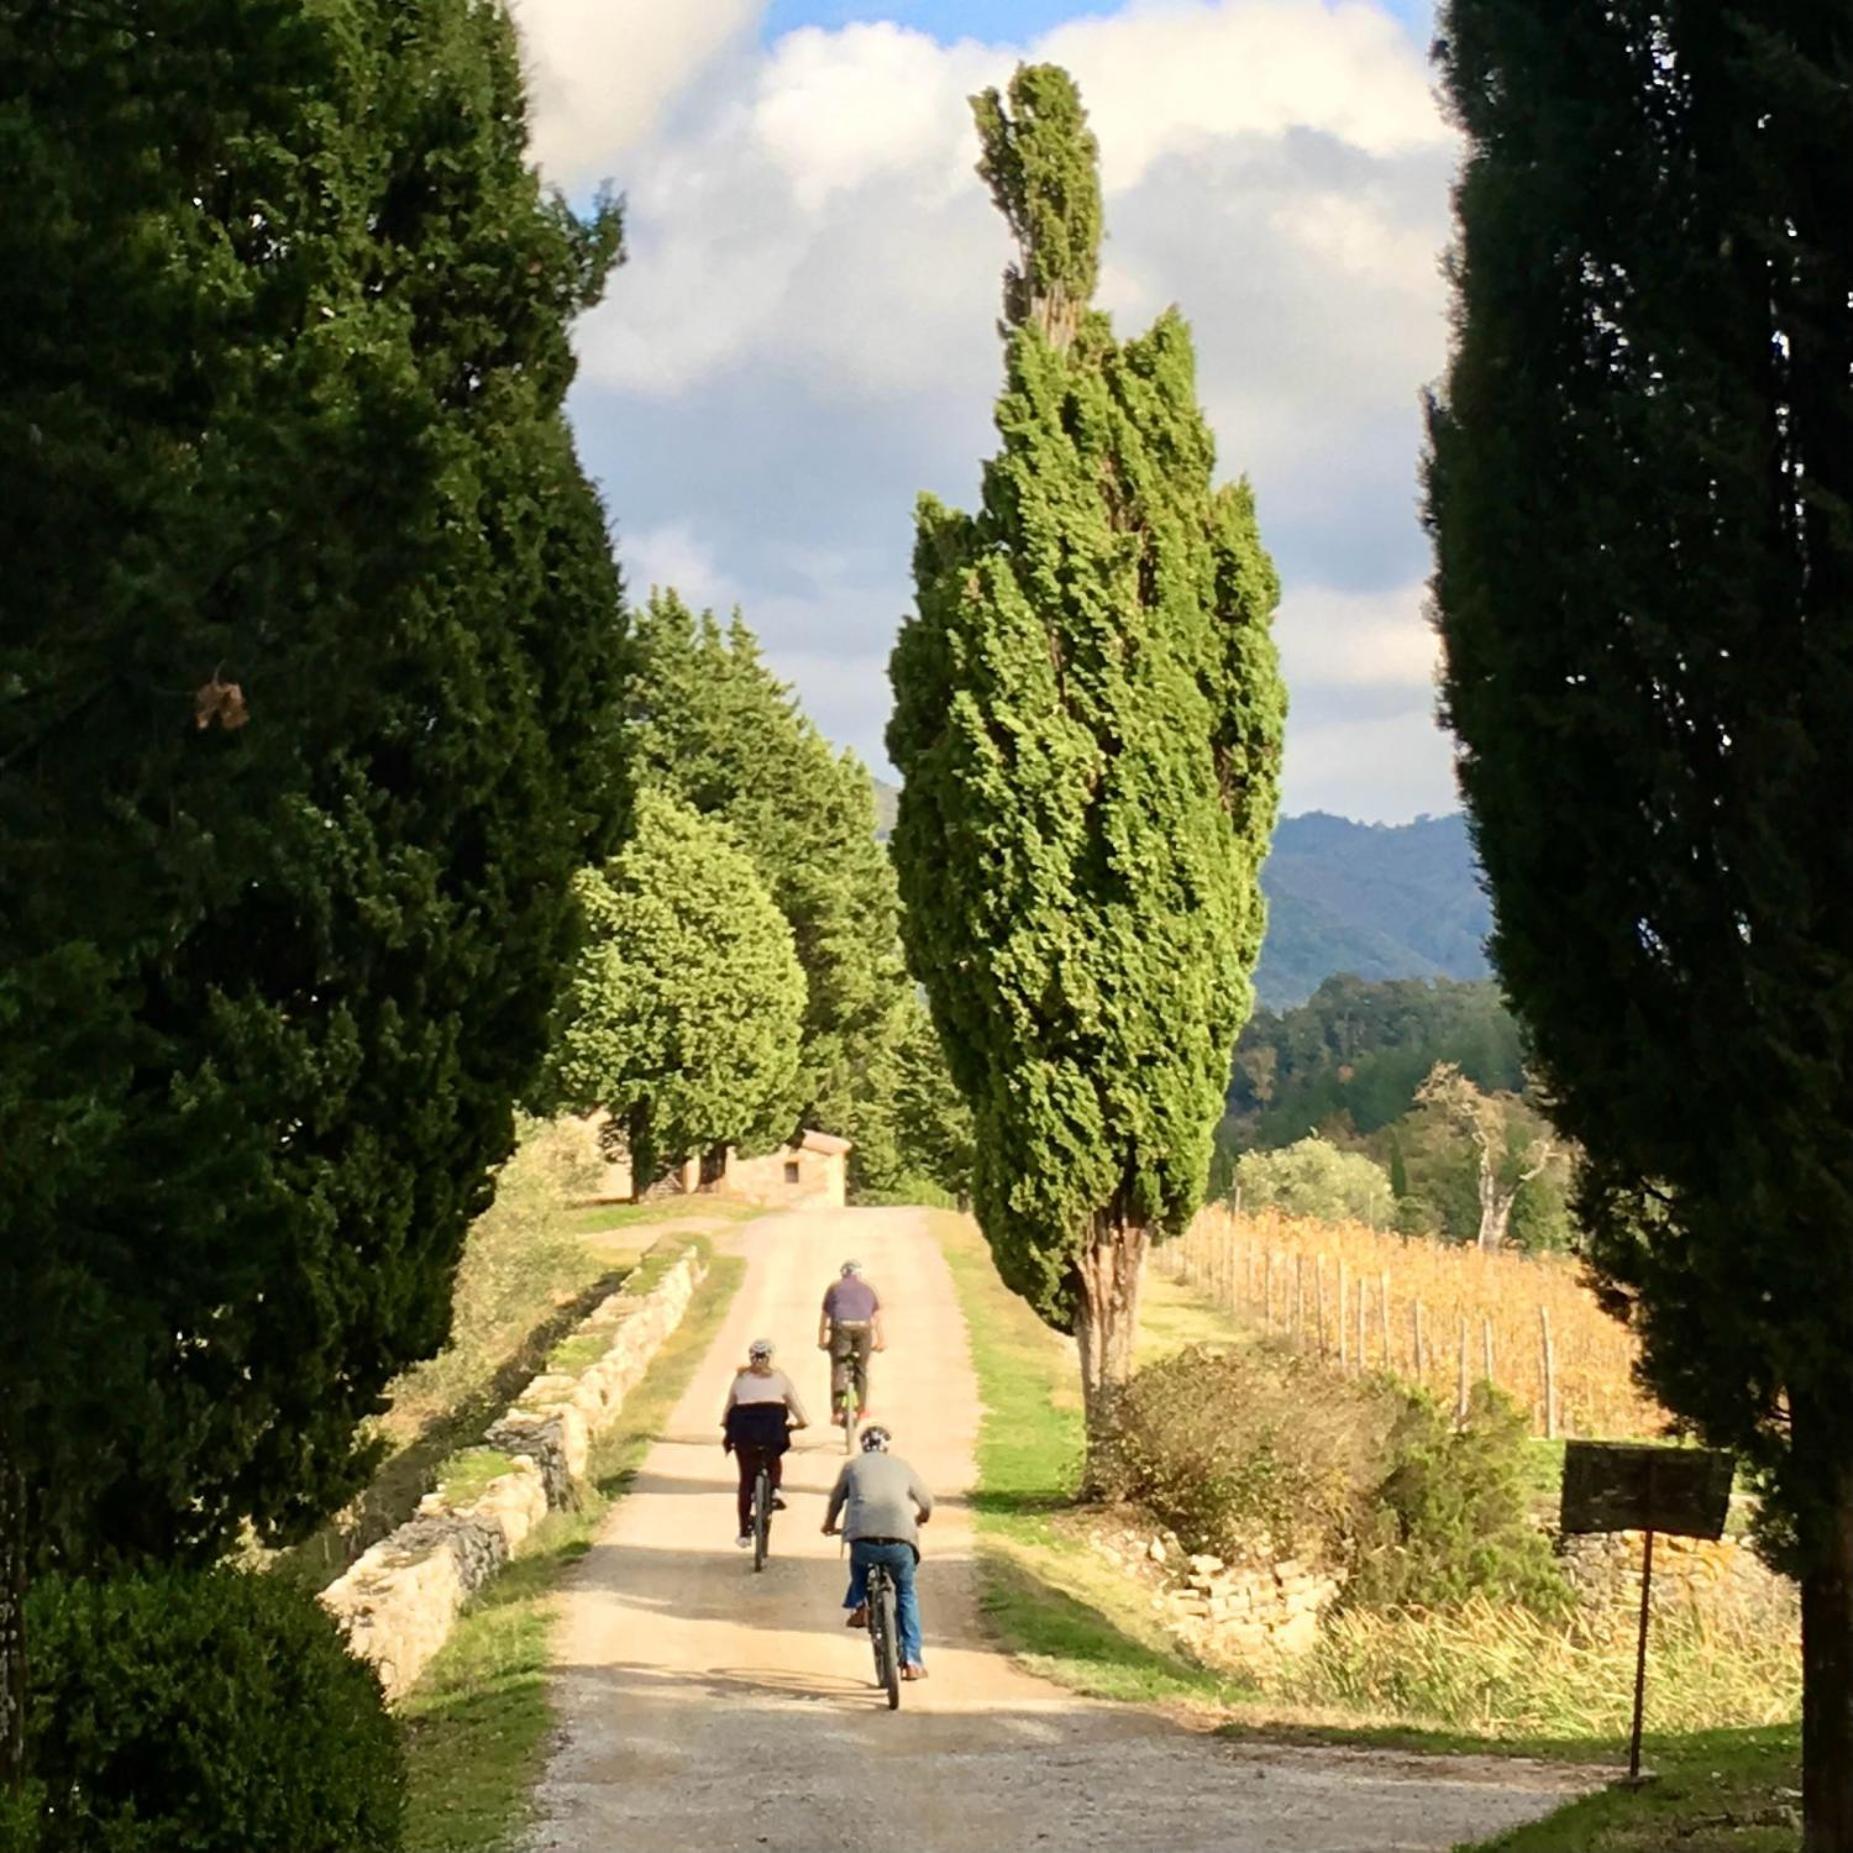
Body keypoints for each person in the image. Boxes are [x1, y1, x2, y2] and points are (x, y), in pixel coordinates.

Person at [822, 1425, 933, 1680]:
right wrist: (921, 1517)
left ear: (863, 1446)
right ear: (886, 1447)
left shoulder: (853, 1466)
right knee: (906, 1593)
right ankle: (913, 1661)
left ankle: (860, 1604)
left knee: (859, 1568)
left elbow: (836, 1499)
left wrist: (829, 1524)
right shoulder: (902, 1466)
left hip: (863, 1539)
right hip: (900, 1541)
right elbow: (926, 1501)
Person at [721, 1338, 808, 1548]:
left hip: (744, 1431)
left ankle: (743, 1533)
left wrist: (726, 1423)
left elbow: (729, 1407)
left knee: (745, 1480)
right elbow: (794, 1404)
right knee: (774, 1455)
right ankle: (776, 1488)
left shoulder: (740, 1378)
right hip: (771, 1427)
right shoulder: (780, 1377)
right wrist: (801, 1423)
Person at [817, 1259, 883, 1424]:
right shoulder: (868, 1288)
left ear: (843, 1274)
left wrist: (822, 1340)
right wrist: (881, 1340)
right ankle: (861, 1411)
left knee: (839, 1367)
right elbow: (876, 1317)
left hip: (841, 1328)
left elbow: (825, 1316)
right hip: (863, 1328)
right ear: (859, 1275)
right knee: (861, 1368)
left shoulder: (834, 1288)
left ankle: (837, 1412)